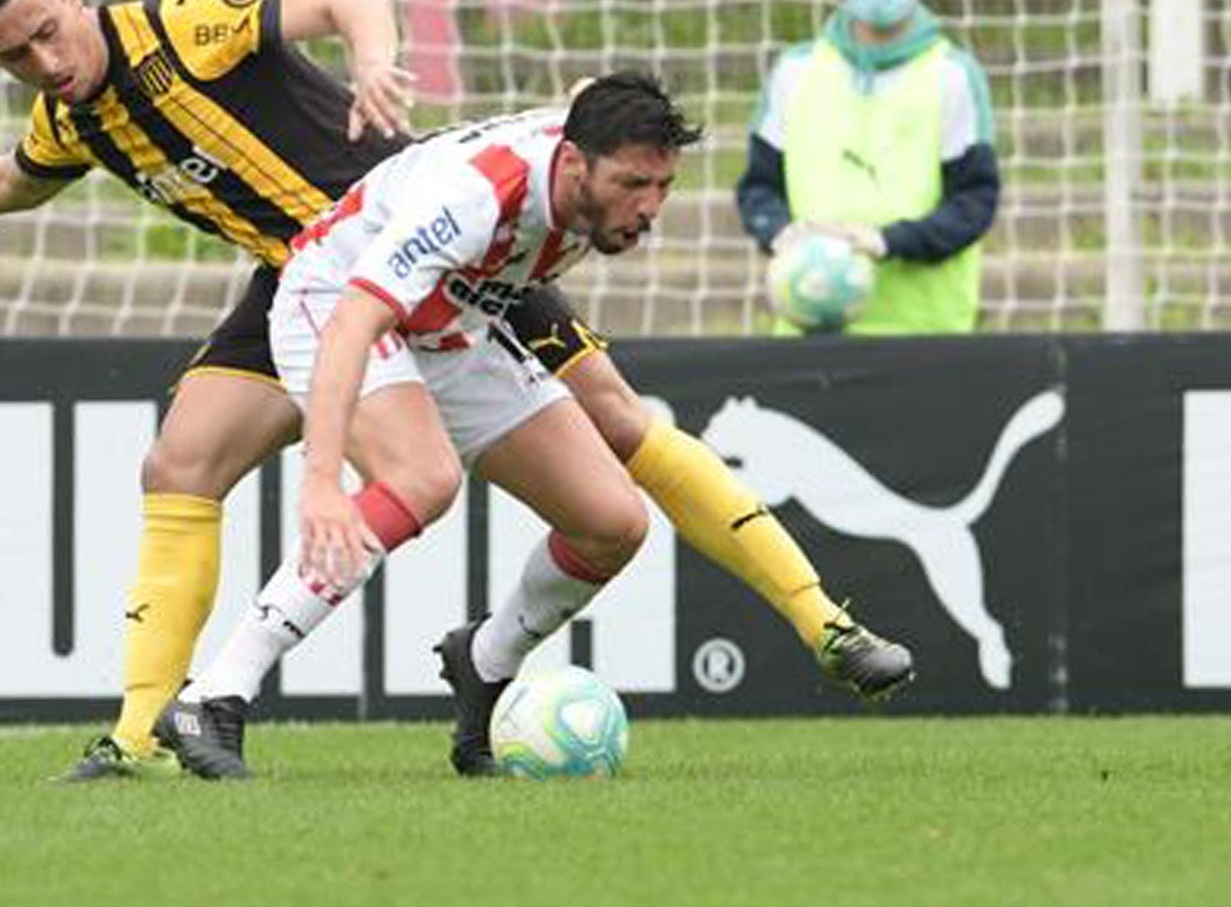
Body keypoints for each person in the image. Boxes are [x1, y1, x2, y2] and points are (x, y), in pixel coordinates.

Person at [0, 0, 907, 784]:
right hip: (309, 278)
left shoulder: (184, 19)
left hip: (430, 254)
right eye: (13, 57)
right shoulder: (78, 121)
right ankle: (143, 728)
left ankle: (815, 619)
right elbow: (2, 179)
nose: (42, 61)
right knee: (180, 462)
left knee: (611, 430)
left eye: (47, 31)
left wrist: (374, 60)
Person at [160, 77, 906, 781]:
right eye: (632, 186)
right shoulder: (476, 196)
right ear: (575, 163)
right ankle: (214, 694)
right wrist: (323, 480)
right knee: (424, 479)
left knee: (611, 521)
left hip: (455, 321)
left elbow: (584, 101)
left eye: (663, 187)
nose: (649, 207)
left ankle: (484, 660)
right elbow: (357, 317)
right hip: (333, 301)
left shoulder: (587, 166)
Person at [736, 0, 1001, 335]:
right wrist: (782, 234)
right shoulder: (794, 71)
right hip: (810, 329)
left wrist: (886, 242)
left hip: (925, 331)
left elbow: (974, 202)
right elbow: (758, 187)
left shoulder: (953, 74)